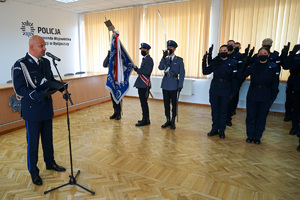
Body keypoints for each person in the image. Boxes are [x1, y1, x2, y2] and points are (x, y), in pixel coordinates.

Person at [11, 35, 66, 186]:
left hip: (46, 108)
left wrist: (61, 87)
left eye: (44, 45)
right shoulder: (20, 65)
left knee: (48, 140)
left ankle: (50, 162)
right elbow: (20, 89)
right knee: (33, 143)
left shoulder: (46, 62)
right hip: (32, 110)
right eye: (42, 46)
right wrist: (40, 94)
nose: (45, 48)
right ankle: (34, 172)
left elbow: (50, 80)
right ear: (32, 47)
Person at [239, 47, 280, 144]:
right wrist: (244, 63)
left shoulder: (273, 67)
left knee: (261, 116)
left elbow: (275, 84)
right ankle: (250, 135)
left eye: (265, 53)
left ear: (268, 55)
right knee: (251, 115)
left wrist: (272, 98)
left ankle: (257, 136)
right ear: (258, 55)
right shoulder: (253, 66)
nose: (262, 55)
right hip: (253, 92)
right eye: (261, 53)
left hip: (266, 93)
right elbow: (240, 76)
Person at [202, 45, 238, 139]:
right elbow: (206, 72)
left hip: (226, 88)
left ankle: (221, 130)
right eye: (221, 50)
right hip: (215, 87)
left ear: (228, 52)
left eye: (224, 50)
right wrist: (204, 61)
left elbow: (235, 80)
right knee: (214, 110)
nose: (223, 52)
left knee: (223, 111)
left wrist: (233, 93)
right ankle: (214, 129)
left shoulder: (233, 62)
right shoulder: (215, 61)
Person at [158, 40, 185, 130]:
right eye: (168, 47)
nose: (169, 48)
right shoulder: (165, 59)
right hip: (165, 83)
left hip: (174, 84)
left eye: (171, 47)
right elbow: (160, 67)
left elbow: (182, 73)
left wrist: (180, 85)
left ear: (175, 49)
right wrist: (163, 57)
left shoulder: (179, 60)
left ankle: (173, 120)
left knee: (174, 103)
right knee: (166, 103)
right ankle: (168, 119)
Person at [282, 44, 300, 151]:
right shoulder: (297, 57)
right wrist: (292, 53)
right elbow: (286, 65)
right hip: (296, 84)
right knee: (295, 107)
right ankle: (295, 128)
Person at [133, 43, 154, 126]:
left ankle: (145, 120)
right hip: (142, 83)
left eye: (144, 49)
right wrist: (138, 69)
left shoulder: (149, 59)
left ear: (148, 51)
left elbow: (147, 71)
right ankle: (145, 118)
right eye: (141, 49)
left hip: (144, 84)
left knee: (144, 102)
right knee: (143, 102)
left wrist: (137, 69)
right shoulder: (145, 59)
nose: (142, 51)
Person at [103, 50, 122, 120]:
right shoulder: (110, 60)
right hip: (111, 81)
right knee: (112, 98)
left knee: (117, 98)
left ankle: (119, 113)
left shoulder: (119, 60)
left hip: (117, 81)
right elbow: (104, 65)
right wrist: (107, 56)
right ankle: (115, 112)